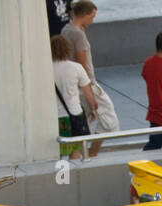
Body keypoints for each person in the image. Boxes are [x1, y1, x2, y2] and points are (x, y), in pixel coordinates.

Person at [63, 0, 117, 156]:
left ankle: (78, 157)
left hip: (74, 86)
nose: (93, 20)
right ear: (85, 15)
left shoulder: (66, 29)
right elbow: (82, 64)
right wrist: (90, 93)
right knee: (109, 120)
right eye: (92, 17)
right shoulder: (78, 35)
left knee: (83, 125)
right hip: (86, 85)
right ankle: (92, 155)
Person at [52, 34, 96, 160]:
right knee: (76, 150)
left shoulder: (45, 70)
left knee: (58, 151)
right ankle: (73, 175)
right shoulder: (76, 67)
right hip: (75, 114)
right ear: (67, 49)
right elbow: (88, 92)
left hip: (56, 117)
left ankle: (60, 176)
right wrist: (93, 109)